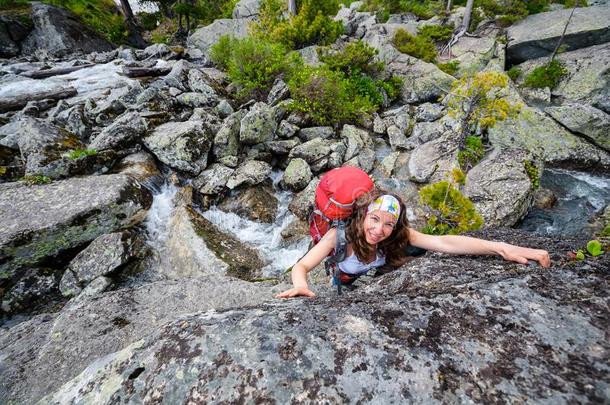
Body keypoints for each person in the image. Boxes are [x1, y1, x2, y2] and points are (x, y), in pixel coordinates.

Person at [276, 189, 551, 299]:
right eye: (374, 219)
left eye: (388, 224)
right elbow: (302, 265)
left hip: (379, 269)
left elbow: (444, 242)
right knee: (344, 286)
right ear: (362, 216)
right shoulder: (338, 237)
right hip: (346, 273)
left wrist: (501, 248)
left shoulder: (397, 235)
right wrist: (301, 285)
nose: (378, 229)